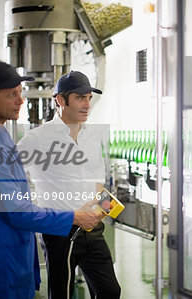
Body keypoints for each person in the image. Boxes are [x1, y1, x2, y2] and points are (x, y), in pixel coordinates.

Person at [0, 61, 104, 299]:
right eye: (11, 94)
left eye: (20, 92)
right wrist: (74, 217)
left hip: (12, 254)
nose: (21, 100)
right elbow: (17, 212)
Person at [17, 70, 121, 299]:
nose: (87, 104)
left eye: (89, 98)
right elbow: (8, 174)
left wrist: (103, 209)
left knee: (110, 291)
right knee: (61, 294)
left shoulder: (91, 136)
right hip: (61, 231)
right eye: (80, 98)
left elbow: (97, 181)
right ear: (61, 100)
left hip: (92, 229)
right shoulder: (38, 138)